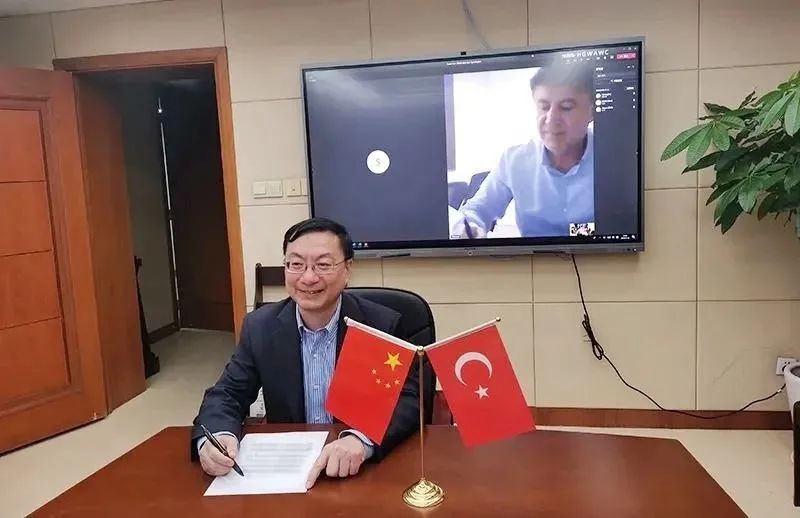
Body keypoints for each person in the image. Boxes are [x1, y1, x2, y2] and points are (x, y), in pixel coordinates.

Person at [190, 217, 420, 488]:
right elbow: (228, 393)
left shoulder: (380, 324)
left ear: (347, 269)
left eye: (323, 265)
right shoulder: (260, 327)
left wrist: (360, 439)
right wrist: (217, 436)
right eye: (296, 264)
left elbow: (408, 400)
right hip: (288, 472)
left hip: (360, 470)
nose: (308, 278)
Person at [453, 62, 595, 238]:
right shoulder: (514, 160)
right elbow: (477, 210)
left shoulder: (614, 158)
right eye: (544, 107)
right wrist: (469, 228)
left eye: (566, 107)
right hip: (532, 256)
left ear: (592, 112)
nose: (551, 119)